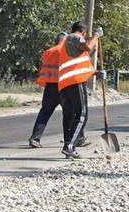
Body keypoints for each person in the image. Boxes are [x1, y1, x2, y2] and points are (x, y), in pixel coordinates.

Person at [57, 20, 101, 159]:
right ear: (83, 32)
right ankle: (69, 146)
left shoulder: (68, 43)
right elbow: (88, 47)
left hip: (66, 82)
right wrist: (96, 35)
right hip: (75, 82)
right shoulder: (75, 37)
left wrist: (96, 73)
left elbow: (83, 58)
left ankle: (68, 146)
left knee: (69, 116)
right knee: (82, 114)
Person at [28, 32, 68, 148]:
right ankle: (73, 140)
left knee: (44, 113)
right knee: (70, 114)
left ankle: (35, 138)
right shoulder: (66, 52)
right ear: (65, 41)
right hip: (64, 87)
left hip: (50, 87)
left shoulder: (48, 52)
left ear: (56, 40)